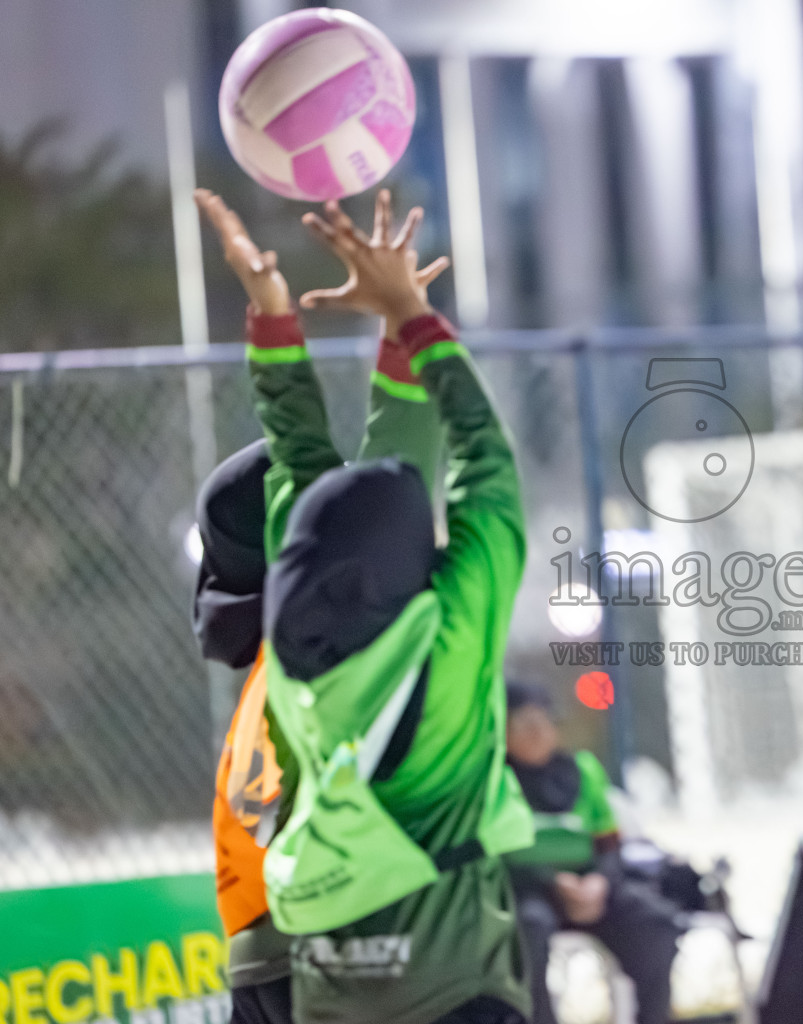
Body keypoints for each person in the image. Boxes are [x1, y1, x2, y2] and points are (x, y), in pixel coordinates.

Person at [195, 187, 534, 1024]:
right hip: (451, 988)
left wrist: (279, 321)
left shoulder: (295, 661)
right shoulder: (450, 642)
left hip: (305, 978)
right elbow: (478, 460)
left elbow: (306, 472)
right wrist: (407, 313)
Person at [193, 300, 445, 1024]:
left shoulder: (273, 662)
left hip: (259, 953)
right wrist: (405, 329)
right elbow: (398, 466)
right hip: (335, 950)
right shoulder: (330, 648)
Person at [501, 681, 683, 1024]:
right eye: (524, 725)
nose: (537, 733)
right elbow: (495, 855)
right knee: (528, 930)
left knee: (655, 922)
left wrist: (599, 881)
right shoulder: (495, 780)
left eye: (544, 722)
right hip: (528, 889)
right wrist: (553, 882)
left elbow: (609, 842)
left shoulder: (582, 770)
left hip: (591, 887)